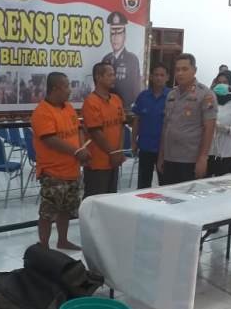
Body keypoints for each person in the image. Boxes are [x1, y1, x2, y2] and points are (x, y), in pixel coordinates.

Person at [30, 72, 91, 250]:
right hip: (53, 172)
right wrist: (76, 151)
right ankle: (43, 247)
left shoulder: (68, 108)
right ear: (55, 88)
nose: (70, 90)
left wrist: (82, 148)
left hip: (72, 170)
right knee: (48, 213)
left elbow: (78, 130)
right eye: (66, 86)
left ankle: (62, 240)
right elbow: (50, 140)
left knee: (66, 209)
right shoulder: (42, 111)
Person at [156, 53, 217, 184]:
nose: (180, 73)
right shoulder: (171, 95)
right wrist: (161, 155)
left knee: (187, 196)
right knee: (167, 195)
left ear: (194, 70)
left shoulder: (205, 95)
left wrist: (203, 158)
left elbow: (209, 128)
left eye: (184, 69)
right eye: (177, 69)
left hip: (190, 161)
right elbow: (166, 126)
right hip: (169, 158)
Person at [82, 62, 125, 197]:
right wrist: (113, 153)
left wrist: (119, 152)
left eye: (114, 75)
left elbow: (121, 127)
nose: (113, 78)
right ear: (98, 77)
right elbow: (96, 133)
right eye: (110, 75)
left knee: (110, 200)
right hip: (97, 163)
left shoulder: (116, 99)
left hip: (114, 161)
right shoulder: (90, 102)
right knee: (95, 200)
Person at [131, 64, 170, 188]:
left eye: (162, 75)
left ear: (167, 77)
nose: (159, 78)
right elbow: (137, 121)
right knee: (143, 185)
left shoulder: (172, 97)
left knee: (165, 185)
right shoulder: (142, 96)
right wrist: (133, 141)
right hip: (145, 147)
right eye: (156, 75)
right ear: (151, 77)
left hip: (165, 150)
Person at [102, 11, 141, 108]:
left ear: (124, 35)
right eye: (112, 33)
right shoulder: (106, 59)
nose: (115, 38)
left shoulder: (132, 59)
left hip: (125, 109)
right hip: (107, 107)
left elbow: (135, 89)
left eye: (119, 33)